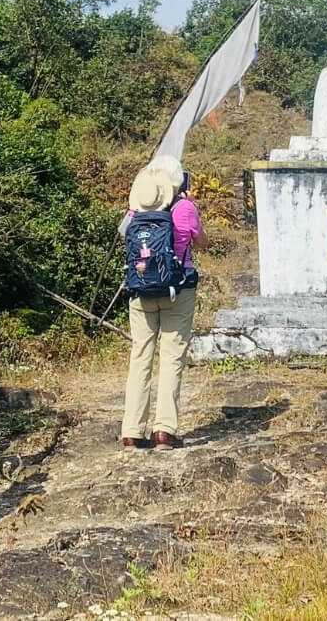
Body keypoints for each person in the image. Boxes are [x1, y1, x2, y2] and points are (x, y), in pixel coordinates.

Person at [120, 157, 207, 451]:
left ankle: (132, 431)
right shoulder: (184, 208)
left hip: (140, 292)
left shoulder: (136, 211)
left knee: (140, 357)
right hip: (178, 290)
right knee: (171, 358)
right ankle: (164, 431)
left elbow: (126, 238)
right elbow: (202, 242)